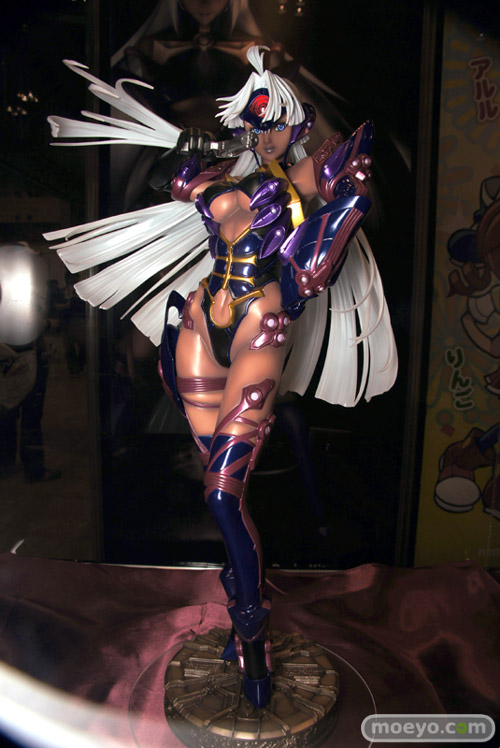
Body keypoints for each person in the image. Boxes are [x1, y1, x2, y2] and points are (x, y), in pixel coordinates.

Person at [45, 46, 397, 708]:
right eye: (253, 124)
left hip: (260, 331)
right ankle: (244, 620)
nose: (263, 135)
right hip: (201, 330)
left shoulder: (302, 174)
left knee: (221, 494)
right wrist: (192, 159)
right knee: (222, 495)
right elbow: (177, 180)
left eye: (274, 123)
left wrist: (343, 196)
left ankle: (252, 630)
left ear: (296, 123)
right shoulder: (225, 178)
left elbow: (351, 165)